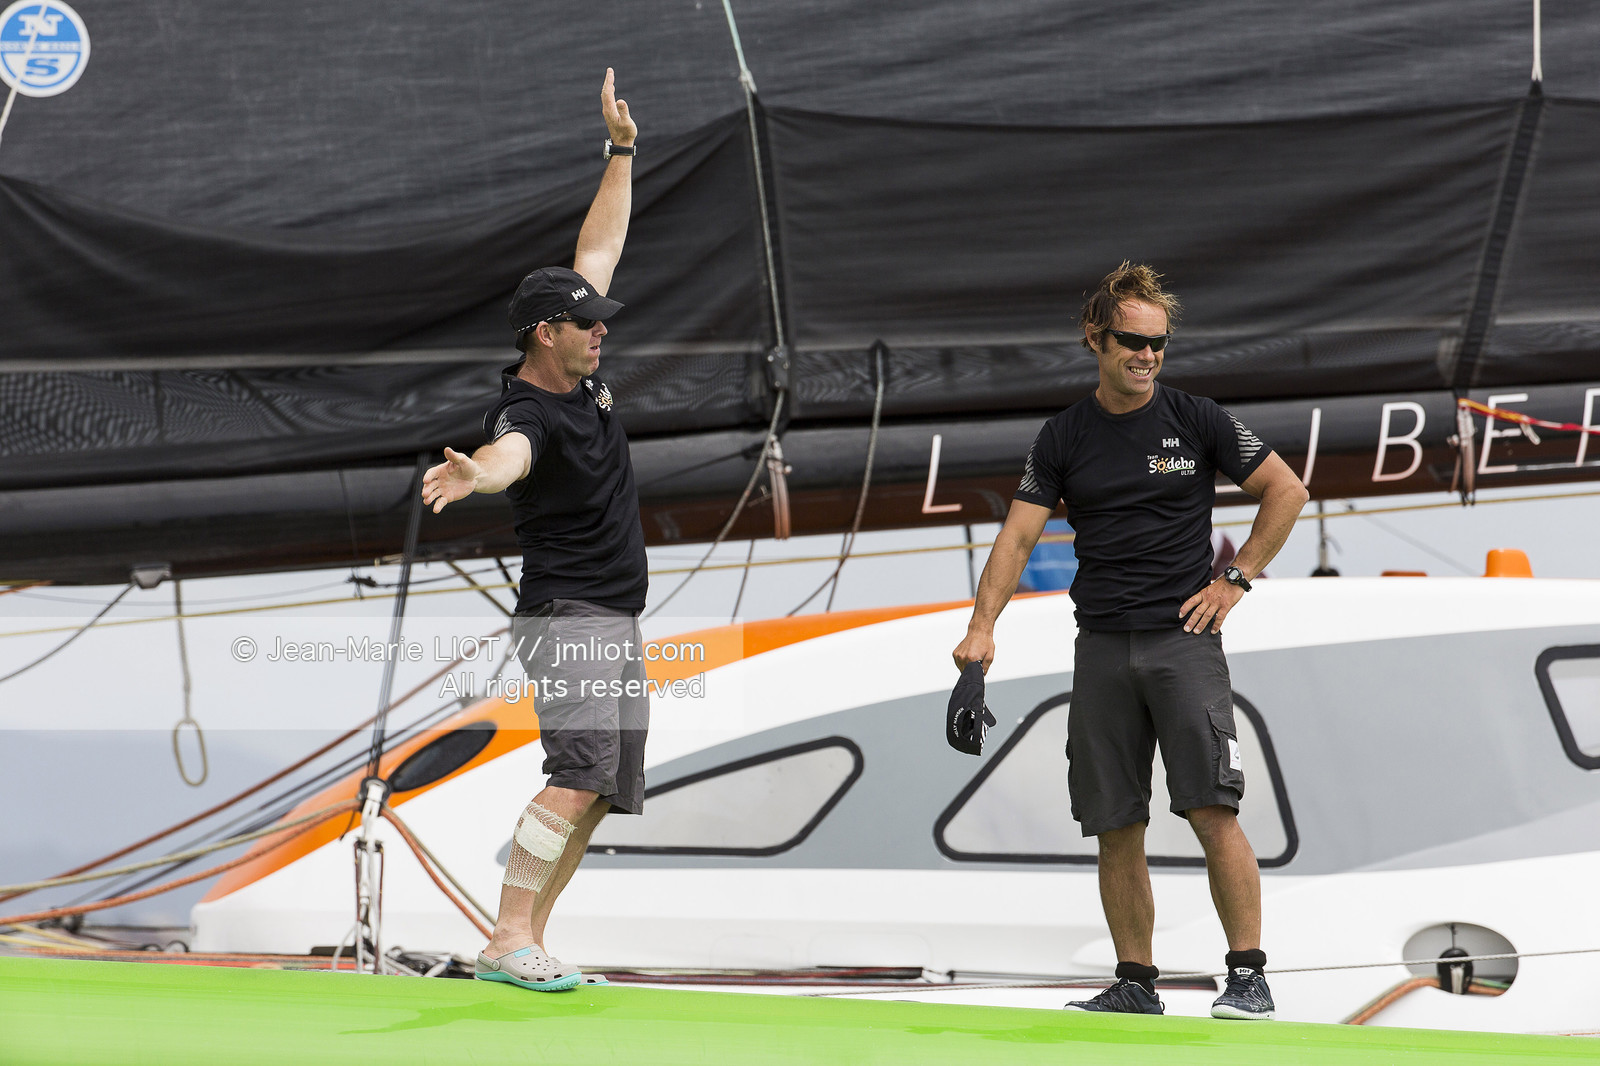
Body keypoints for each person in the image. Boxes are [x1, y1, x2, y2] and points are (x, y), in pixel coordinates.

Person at [951, 263, 1309, 1019]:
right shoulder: (1063, 437)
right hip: (1102, 647)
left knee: (1213, 809)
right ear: (1096, 338)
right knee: (1116, 823)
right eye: (1131, 342)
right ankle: (1135, 983)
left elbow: (1288, 490)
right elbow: (1017, 540)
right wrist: (981, 631)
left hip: (1183, 643)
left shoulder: (1197, 417)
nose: (1146, 356)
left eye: (1159, 345)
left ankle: (1248, 975)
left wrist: (1236, 580)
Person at [421, 68, 644, 992]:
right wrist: (477, 476)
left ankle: (530, 945)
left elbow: (599, 251)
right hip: (573, 615)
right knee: (578, 773)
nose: (603, 334)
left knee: (599, 794)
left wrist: (621, 151)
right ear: (545, 334)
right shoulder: (531, 414)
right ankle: (507, 935)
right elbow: (509, 454)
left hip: (614, 615)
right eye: (586, 327)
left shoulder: (580, 371)